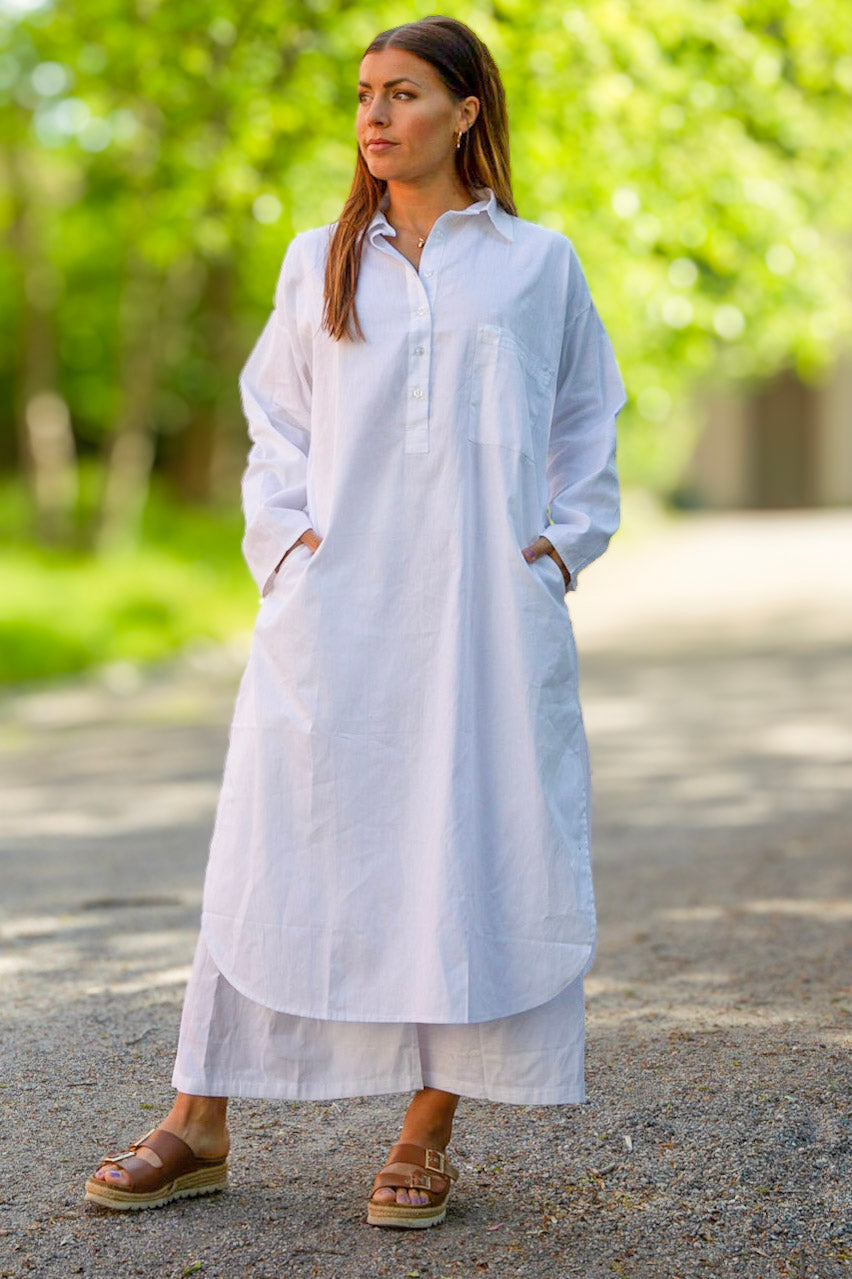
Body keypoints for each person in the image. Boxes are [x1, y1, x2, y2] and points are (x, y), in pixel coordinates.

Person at [84, 14, 627, 1229]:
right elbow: (274, 424)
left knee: (472, 838)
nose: (376, 116)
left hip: (484, 617)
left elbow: (587, 421)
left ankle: (427, 1130)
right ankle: (197, 1118)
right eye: (366, 94)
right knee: (273, 834)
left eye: (405, 93)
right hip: (337, 610)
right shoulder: (318, 258)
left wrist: (557, 549)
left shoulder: (538, 263)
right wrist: (287, 552)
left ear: (467, 112)